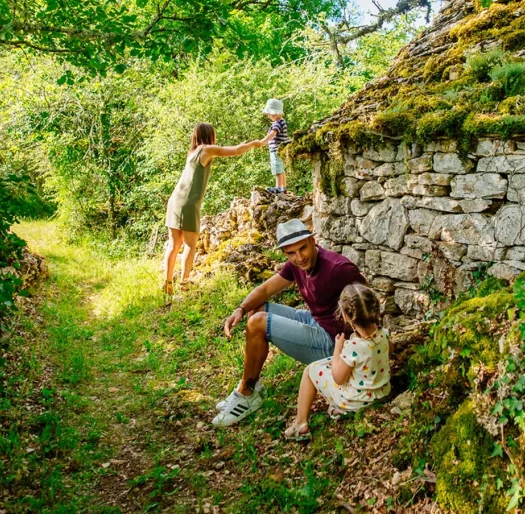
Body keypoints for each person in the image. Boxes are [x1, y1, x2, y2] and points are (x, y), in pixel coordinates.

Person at [213, 218, 366, 427]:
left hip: (335, 344)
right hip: (317, 322)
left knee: (258, 322)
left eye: (303, 248)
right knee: (256, 309)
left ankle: (246, 396)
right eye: (291, 253)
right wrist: (240, 309)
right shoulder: (296, 265)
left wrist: (367, 349)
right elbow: (266, 290)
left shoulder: (338, 269)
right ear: (285, 253)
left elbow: (368, 303)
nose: (299, 257)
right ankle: (250, 386)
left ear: (313, 241)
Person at [164, 123, 265, 303]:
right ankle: (184, 285)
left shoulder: (193, 152)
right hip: (188, 203)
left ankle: (167, 283)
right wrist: (252, 144)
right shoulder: (207, 149)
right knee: (190, 245)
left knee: (174, 244)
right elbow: (235, 151)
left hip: (174, 201)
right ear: (209, 135)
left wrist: (241, 146)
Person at [285, 283, 390, 440]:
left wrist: (338, 350)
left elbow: (338, 378)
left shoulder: (354, 347)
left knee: (311, 370)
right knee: (330, 365)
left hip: (358, 400)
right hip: (382, 392)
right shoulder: (384, 334)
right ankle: (338, 410)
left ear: (346, 316)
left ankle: (300, 424)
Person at [260, 98, 289, 194]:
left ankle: (278, 188)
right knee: (281, 169)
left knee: (277, 169)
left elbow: (273, 134)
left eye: (270, 113)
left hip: (276, 150)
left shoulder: (278, 123)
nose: (268, 116)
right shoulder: (281, 122)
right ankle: (283, 187)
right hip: (280, 149)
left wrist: (263, 141)